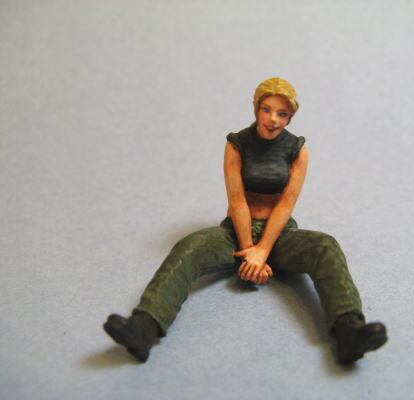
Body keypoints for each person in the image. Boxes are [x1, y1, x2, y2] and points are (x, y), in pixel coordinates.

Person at [103, 77, 387, 364]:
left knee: (325, 246)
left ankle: (349, 331)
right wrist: (249, 249)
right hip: (237, 234)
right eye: (266, 110)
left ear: (291, 117)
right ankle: (144, 326)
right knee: (189, 247)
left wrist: (262, 251)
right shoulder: (236, 144)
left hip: (279, 235)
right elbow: (237, 200)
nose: (273, 119)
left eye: (282, 113)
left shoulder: (298, 150)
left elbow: (286, 204)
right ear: (255, 108)